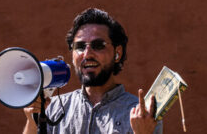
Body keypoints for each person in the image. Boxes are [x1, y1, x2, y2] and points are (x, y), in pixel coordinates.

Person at [22, 8, 163, 134]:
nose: (87, 54)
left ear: (117, 53)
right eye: (80, 46)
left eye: (98, 45)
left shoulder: (142, 116)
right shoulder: (52, 108)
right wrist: (32, 121)